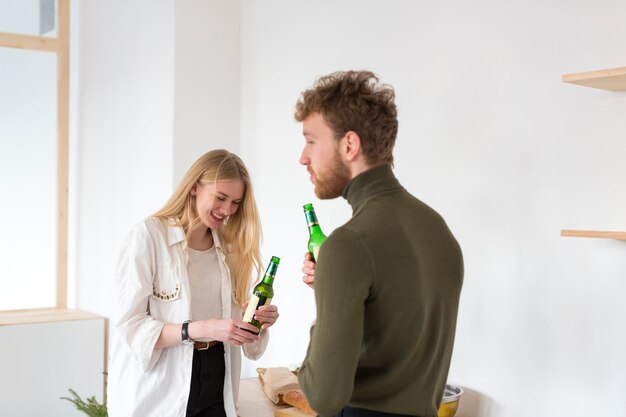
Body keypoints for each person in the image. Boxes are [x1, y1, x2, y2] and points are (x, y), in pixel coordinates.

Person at [295, 71, 464, 417]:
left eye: (311, 141)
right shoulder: (437, 229)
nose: (303, 157)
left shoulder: (349, 244)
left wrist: (322, 319)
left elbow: (323, 396)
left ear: (349, 145)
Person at [107, 149, 279, 417]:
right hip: (162, 384)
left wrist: (258, 324)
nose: (227, 211)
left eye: (235, 202)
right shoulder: (149, 236)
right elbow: (131, 327)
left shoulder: (232, 248)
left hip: (217, 376)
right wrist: (199, 329)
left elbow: (249, 348)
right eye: (221, 198)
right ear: (195, 187)